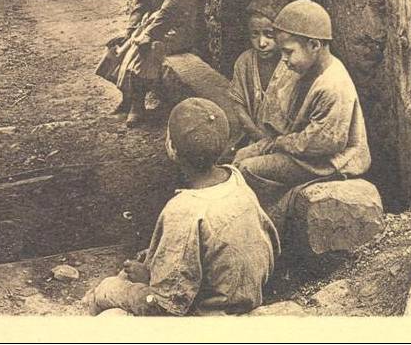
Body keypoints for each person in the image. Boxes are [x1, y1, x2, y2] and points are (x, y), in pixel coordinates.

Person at [85, 98, 280, 316]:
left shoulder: (183, 210)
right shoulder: (235, 178)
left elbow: (164, 307)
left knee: (108, 292)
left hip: (210, 316)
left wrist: (144, 283)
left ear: (172, 148)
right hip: (242, 293)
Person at [233, 0, 371, 206]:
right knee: (240, 157)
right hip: (302, 150)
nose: (283, 59)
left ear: (314, 45)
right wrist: (264, 145)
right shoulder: (304, 70)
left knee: (247, 169)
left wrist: (275, 145)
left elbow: (322, 143)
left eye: (288, 52)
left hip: (328, 161)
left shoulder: (332, 85)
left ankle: (273, 213)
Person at [96, 0, 197, 126]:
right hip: (154, 24)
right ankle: (127, 98)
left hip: (178, 30)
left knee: (143, 50)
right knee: (118, 46)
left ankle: (137, 105)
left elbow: (170, 11)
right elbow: (141, 2)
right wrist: (131, 29)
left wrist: (148, 35)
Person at [229, 0, 294, 151]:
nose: (261, 43)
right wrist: (258, 137)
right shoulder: (245, 62)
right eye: (255, 34)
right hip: (255, 138)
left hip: (287, 143)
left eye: (269, 35)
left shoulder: (293, 64)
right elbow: (238, 105)